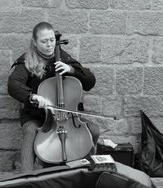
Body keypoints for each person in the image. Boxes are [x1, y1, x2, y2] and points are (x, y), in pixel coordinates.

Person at [8, 22, 99, 172]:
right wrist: (33, 97)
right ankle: (26, 177)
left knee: (93, 129)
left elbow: (90, 81)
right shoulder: (26, 61)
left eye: (51, 40)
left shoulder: (63, 57)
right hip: (37, 116)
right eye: (44, 41)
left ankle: (85, 170)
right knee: (30, 131)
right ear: (35, 42)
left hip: (69, 117)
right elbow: (13, 85)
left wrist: (72, 70)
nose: (49, 45)